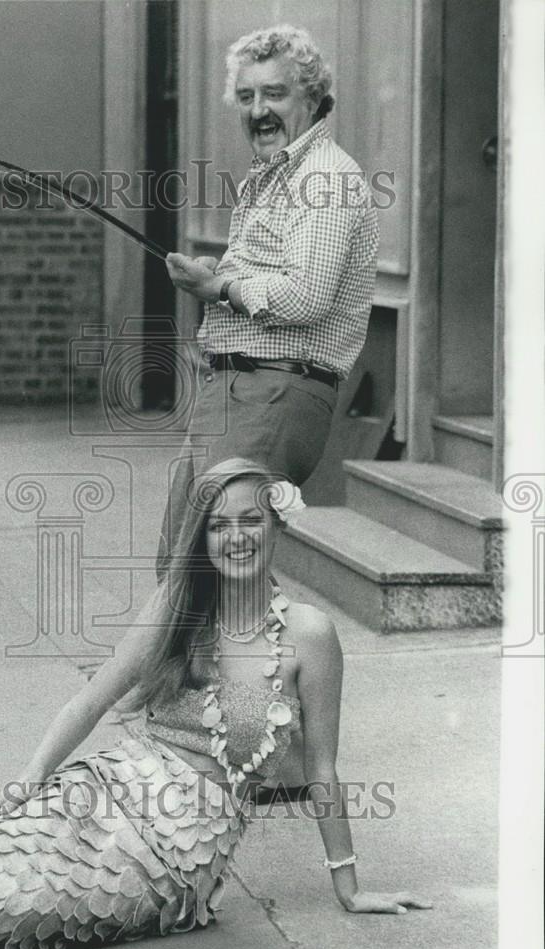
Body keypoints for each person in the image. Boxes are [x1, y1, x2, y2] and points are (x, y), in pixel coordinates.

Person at [0, 458, 430, 949]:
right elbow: (91, 701)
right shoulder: (178, 606)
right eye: (218, 525)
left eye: (250, 520)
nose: (235, 538)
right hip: (107, 794)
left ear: (276, 524)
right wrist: (28, 782)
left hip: (173, 857)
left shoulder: (310, 635)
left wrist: (349, 887)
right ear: (201, 537)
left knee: (18, 910)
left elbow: (322, 770)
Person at [157, 24, 380, 580]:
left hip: (275, 392)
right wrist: (221, 273)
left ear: (313, 99)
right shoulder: (276, 176)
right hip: (236, 389)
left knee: (210, 571)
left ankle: (275, 667)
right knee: (184, 565)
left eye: (275, 93)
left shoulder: (325, 177)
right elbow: (274, 274)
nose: (259, 109)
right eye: (247, 95)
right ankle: (186, 669)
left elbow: (306, 297)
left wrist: (221, 289)